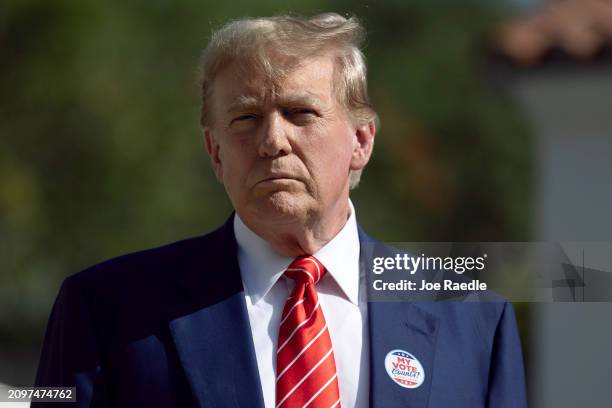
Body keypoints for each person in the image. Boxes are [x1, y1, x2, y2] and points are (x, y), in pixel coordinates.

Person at [34, 13, 527, 408]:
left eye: (300, 113)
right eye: (246, 118)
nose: (272, 141)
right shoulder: (105, 308)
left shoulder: (472, 319)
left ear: (361, 141)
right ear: (215, 152)